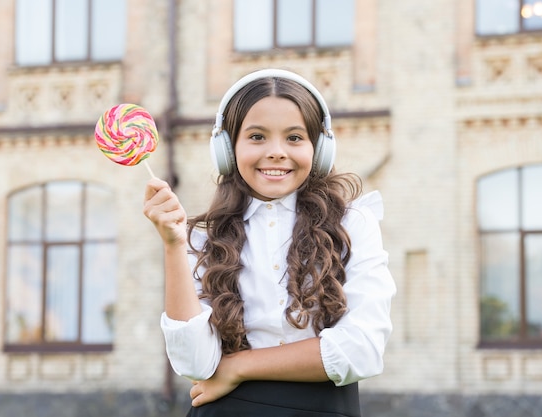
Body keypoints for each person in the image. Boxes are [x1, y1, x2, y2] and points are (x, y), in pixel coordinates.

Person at [143, 69, 396, 417]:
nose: (276, 152)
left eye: (294, 138)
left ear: (319, 148)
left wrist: (238, 367)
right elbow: (196, 364)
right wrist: (173, 244)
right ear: (227, 149)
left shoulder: (353, 224)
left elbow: (362, 350)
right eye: (257, 136)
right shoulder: (202, 236)